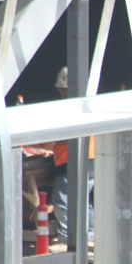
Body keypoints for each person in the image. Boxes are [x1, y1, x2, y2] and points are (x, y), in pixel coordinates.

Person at [50, 66, 94, 243]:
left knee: (63, 201)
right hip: (90, 156)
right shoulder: (87, 103)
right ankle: (91, 239)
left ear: (63, 89)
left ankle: (67, 241)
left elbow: (61, 136)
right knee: (84, 200)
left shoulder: (69, 106)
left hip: (70, 159)